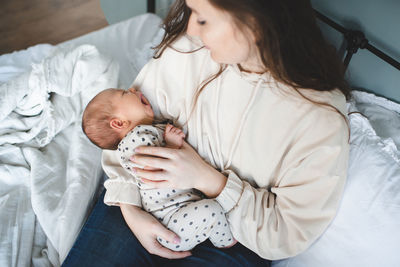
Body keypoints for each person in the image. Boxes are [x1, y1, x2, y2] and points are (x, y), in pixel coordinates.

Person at [62, 0, 350, 266]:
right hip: (143, 200)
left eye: (204, 18)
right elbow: (127, 139)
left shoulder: (318, 118)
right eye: (192, 10)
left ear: (253, 21)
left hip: (233, 234)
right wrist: (130, 210)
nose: (189, 27)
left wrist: (209, 180)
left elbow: (287, 232)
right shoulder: (189, 48)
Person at [81, 87, 236, 251]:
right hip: (172, 222)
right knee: (211, 211)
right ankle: (225, 241)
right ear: (119, 123)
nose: (133, 89)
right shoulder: (135, 139)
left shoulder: (144, 132)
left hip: (178, 214)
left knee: (210, 209)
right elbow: (156, 170)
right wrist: (171, 144)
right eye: (125, 93)